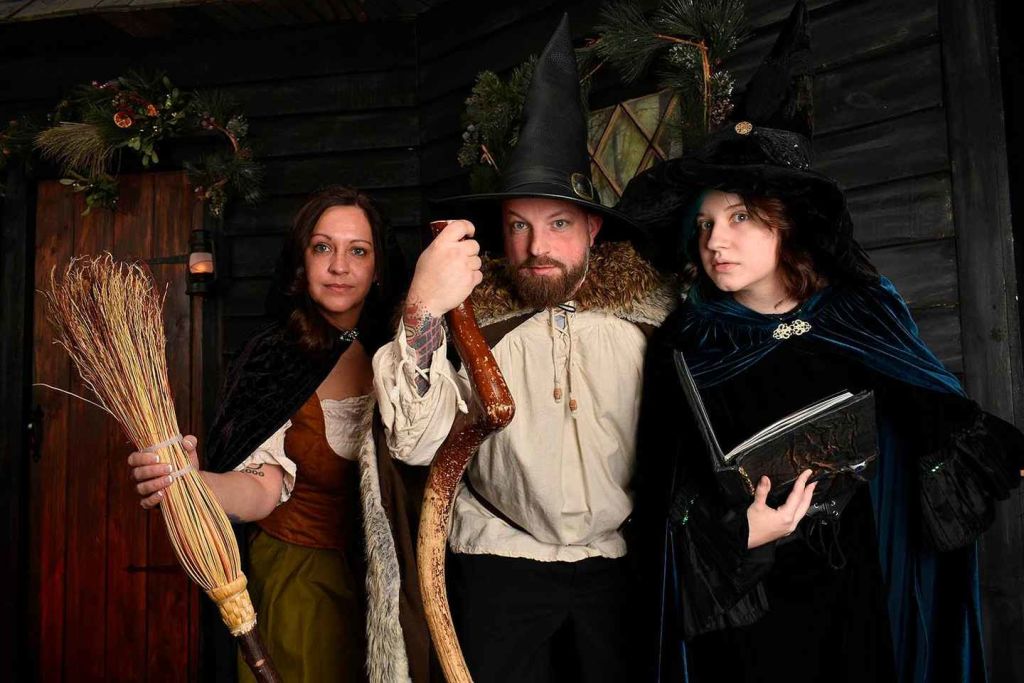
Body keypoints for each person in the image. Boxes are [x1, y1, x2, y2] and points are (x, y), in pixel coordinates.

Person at [618, 5, 1024, 681]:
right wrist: (741, 535)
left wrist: (987, 453)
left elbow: (929, 411)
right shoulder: (686, 342)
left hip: (852, 584)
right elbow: (667, 494)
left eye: (740, 217)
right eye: (706, 224)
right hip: (750, 605)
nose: (716, 241)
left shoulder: (859, 310)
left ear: (785, 224)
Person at [373, 15, 673, 683]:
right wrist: (423, 308)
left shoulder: (649, 326)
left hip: (617, 566)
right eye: (519, 226)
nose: (538, 247)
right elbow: (417, 443)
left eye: (559, 223)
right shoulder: (471, 325)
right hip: (497, 565)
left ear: (592, 228)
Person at [126, 186, 411, 683]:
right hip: (303, 582)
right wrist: (192, 483)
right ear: (302, 261)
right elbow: (262, 487)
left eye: (358, 251)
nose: (339, 266)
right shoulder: (273, 357)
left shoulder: (397, 352)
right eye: (322, 247)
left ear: (378, 268)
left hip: (388, 589)